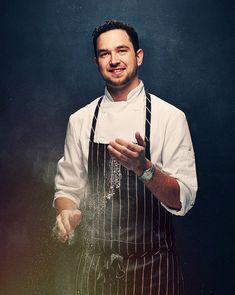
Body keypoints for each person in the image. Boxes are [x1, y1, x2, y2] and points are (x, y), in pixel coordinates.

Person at [53, 20, 197, 295]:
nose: (114, 60)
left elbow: (182, 200)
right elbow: (68, 189)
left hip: (154, 270)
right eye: (105, 54)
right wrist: (66, 212)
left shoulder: (170, 118)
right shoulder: (81, 120)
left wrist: (144, 169)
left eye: (122, 50)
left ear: (138, 57)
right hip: (94, 269)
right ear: (96, 62)